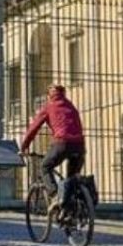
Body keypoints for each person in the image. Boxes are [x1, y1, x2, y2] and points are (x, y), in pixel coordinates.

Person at [19, 84, 85, 212]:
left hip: (62, 143)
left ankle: (55, 196)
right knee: (71, 179)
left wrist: (24, 146)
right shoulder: (71, 106)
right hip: (79, 145)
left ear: (49, 96)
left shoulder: (49, 106)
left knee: (45, 166)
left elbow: (34, 127)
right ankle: (70, 211)